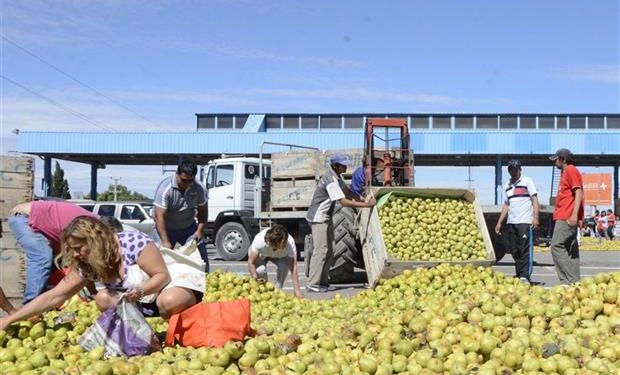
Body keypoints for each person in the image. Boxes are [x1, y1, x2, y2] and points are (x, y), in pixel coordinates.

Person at [0, 216, 200, 329]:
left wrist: (140, 290)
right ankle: (143, 335)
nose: (77, 254)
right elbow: (53, 296)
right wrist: (9, 319)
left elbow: (162, 276)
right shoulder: (87, 264)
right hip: (137, 301)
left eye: (80, 248)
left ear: (94, 240)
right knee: (103, 298)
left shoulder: (133, 243)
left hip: (168, 287)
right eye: (73, 250)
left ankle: (184, 328)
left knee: (169, 300)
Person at [305, 153, 376, 292]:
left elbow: (347, 192)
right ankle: (312, 284)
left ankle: (323, 281)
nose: (346, 167)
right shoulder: (330, 180)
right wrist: (367, 206)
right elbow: (343, 201)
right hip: (318, 219)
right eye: (343, 165)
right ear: (335, 165)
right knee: (321, 250)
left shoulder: (337, 178)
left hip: (327, 217)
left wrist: (362, 199)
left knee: (330, 249)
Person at [7, 200, 97, 304]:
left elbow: (85, 265)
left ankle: (45, 301)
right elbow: (83, 265)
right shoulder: (91, 227)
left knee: (55, 264)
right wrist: (94, 293)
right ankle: (31, 304)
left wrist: (94, 293)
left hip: (40, 223)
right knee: (42, 257)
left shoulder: (92, 227)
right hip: (25, 218)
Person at [153, 161, 209, 269]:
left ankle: (204, 280)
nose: (187, 184)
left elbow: (203, 211)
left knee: (201, 260)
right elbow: (159, 217)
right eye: (184, 180)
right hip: (165, 229)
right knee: (160, 262)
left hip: (188, 229)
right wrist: (165, 241)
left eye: (190, 181)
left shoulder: (199, 188)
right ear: (177, 174)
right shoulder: (165, 188)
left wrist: (199, 231)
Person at [494, 159, 540, 283]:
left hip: (524, 221)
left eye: (515, 169)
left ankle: (525, 275)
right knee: (514, 249)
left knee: (524, 249)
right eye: (510, 169)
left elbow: (534, 200)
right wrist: (499, 222)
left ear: (520, 169)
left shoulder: (527, 181)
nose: (513, 171)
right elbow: (506, 204)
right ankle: (519, 273)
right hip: (511, 221)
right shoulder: (507, 185)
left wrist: (535, 218)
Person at [549, 148, 583, 284]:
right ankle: (575, 281)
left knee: (556, 246)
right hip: (566, 215)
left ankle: (567, 280)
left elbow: (579, 193)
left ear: (563, 159)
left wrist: (575, 215)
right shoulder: (566, 173)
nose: (554, 163)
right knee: (571, 249)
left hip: (566, 216)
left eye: (556, 160)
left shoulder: (570, 170)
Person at [247, 223, 303, 298]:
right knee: (260, 270)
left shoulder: (290, 243)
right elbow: (251, 262)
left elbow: (293, 268)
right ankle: (264, 291)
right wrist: (255, 278)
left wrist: (297, 291)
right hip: (261, 255)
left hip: (280, 256)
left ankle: (278, 289)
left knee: (284, 266)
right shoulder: (259, 240)